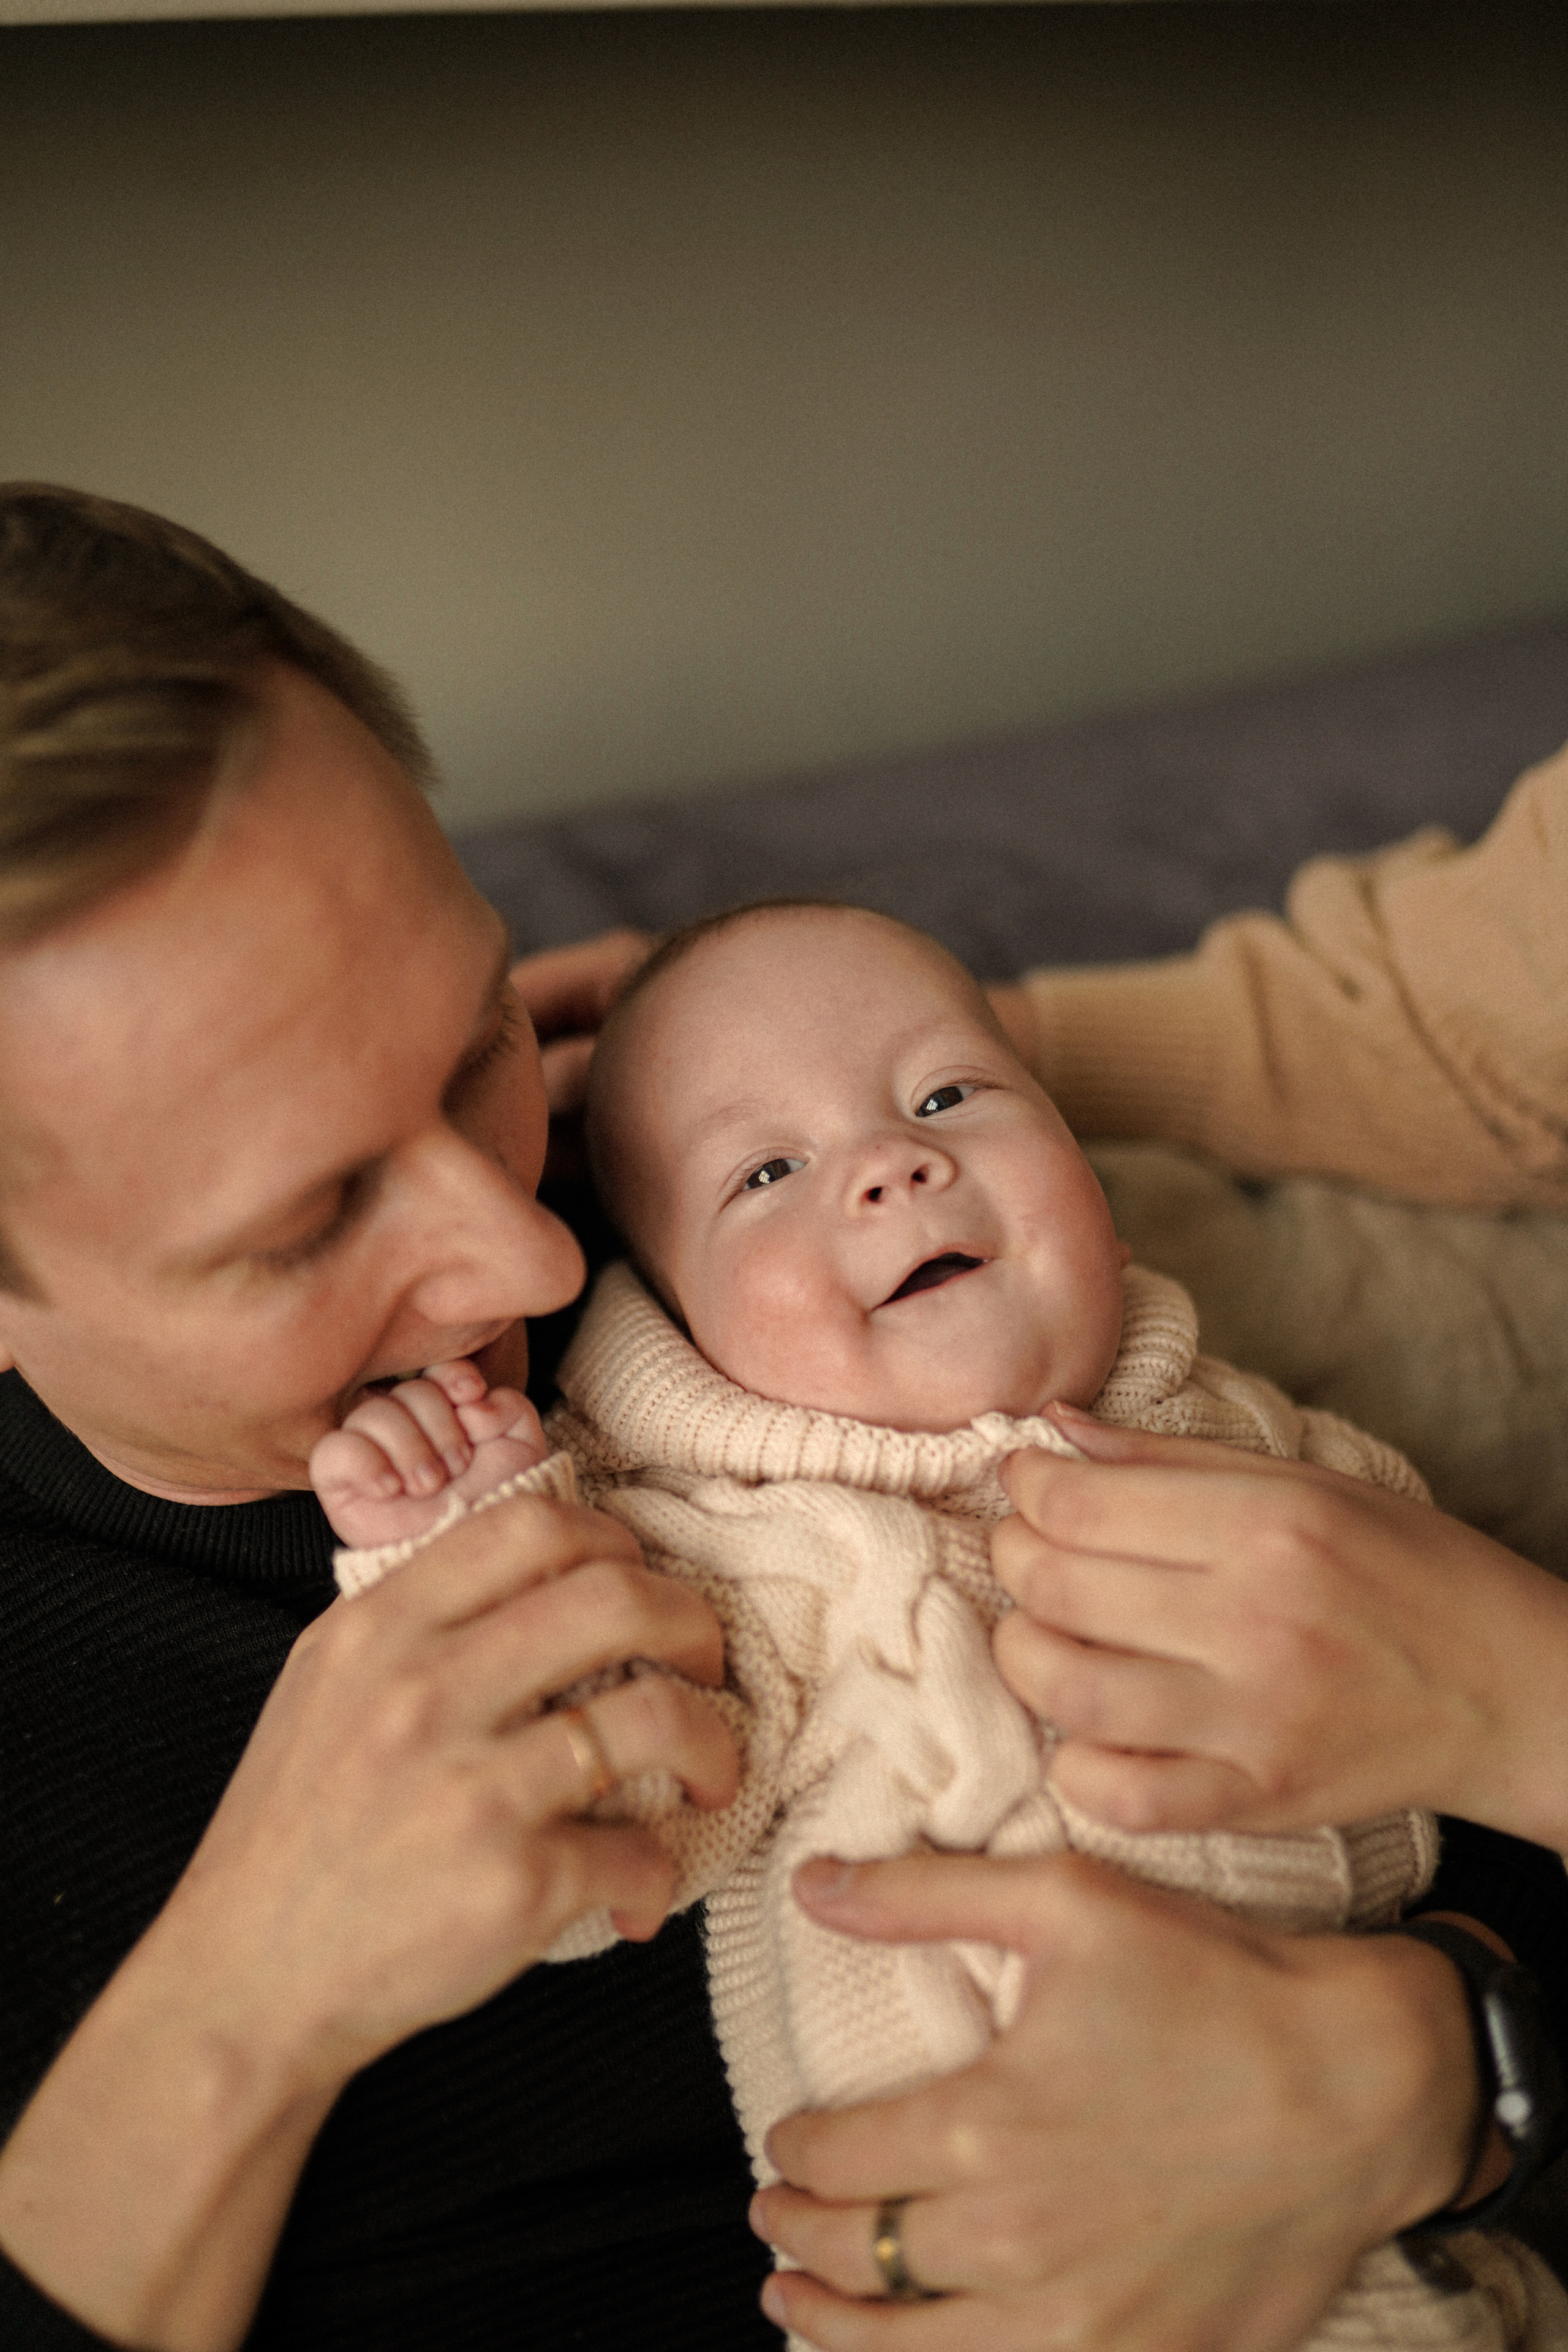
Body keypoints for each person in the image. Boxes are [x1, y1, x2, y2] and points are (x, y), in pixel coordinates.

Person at [0, 480, 1553, 2352]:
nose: (530, 1261)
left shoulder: (760, 1227)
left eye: (477, 1033)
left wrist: (1439, 2065)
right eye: (313, 1220)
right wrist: (237, 2008)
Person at [313, 899, 1561, 2348]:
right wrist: (468, 1537)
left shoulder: (1282, 1458)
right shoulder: (729, 1553)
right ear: (675, 1318)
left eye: (948, 1094)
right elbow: (597, 1870)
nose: (895, 1163)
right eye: (766, 1169)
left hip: (1399, 2262)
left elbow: (1471, 1809)